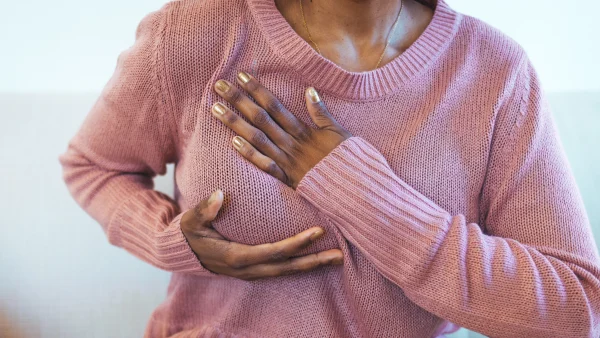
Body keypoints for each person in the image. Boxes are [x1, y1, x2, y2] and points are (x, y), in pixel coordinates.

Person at [57, 0, 600, 336]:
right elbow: (93, 167)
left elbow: (576, 313)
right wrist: (168, 240)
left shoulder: (494, 73)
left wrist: (355, 189)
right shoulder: (193, 33)